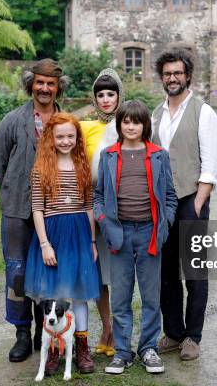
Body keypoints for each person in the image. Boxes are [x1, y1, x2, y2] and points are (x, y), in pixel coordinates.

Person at [0, 59, 69, 362]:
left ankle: (46, 332)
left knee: (49, 272)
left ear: (58, 86)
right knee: (18, 272)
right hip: (17, 211)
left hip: (56, 211)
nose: (45, 88)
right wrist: (13, 192)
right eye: (40, 82)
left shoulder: (66, 122)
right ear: (31, 84)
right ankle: (22, 333)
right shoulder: (12, 121)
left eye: (51, 84)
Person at [94, 100, 178, 375]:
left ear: (145, 126)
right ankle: (122, 351)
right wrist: (104, 223)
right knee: (120, 297)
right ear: (119, 125)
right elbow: (98, 197)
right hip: (118, 234)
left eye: (136, 122)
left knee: (151, 296)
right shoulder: (108, 155)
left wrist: (164, 224)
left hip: (149, 234)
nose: (131, 126)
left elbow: (169, 197)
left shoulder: (158, 155)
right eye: (126, 122)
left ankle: (148, 349)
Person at [151, 49, 217, 360]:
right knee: (165, 272)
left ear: (188, 76)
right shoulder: (155, 114)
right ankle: (174, 332)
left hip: (190, 200)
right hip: (161, 204)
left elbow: (211, 163)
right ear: (162, 78)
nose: (172, 78)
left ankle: (193, 336)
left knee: (194, 272)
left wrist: (198, 202)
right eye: (167, 74)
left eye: (177, 73)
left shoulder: (203, 112)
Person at [24, 113, 100, 375]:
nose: (66, 141)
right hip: (53, 234)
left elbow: (89, 206)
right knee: (53, 292)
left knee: (79, 294)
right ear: (50, 138)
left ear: (77, 137)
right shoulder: (41, 168)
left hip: (78, 234)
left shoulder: (83, 165)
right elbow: (37, 209)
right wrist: (44, 244)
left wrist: (91, 240)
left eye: (70, 135)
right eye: (60, 136)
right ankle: (54, 350)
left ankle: (81, 348)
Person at [80, 68, 124, 357]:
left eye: (110, 94)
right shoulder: (85, 127)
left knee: (118, 273)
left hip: (122, 208)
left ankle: (119, 331)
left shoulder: (129, 122)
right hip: (93, 207)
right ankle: (106, 326)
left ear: (120, 96)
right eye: (101, 95)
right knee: (99, 275)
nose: (106, 99)